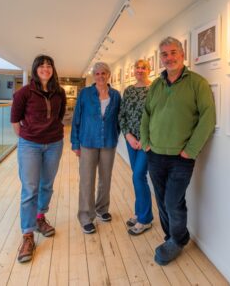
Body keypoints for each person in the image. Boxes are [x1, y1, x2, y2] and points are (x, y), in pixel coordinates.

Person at [140, 37, 216, 265]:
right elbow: (146, 115)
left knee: (173, 201)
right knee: (162, 200)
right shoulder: (155, 85)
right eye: (164, 54)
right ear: (160, 59)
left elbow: (208, 118)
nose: (169, 57)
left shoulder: (197, 83)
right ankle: (170, 236)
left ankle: (178, 239)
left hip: (180, 157)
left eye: (173, 52)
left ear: (183, 54)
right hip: (155, 155)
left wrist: (190, 150)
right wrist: (146, 142)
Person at [10, 54, 66, 263]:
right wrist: (30, 137)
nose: (45, 68)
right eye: (41, 65)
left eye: (49, 65)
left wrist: (48, 134)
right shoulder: (24, 93)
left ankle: (40, 217)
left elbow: (59, 117)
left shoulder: (59, 92)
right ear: (35, 69)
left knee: (47, 185)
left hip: (54, 144)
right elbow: (15, 121)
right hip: (30, 145)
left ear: (53, 69)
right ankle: (27, 235)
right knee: (30, 189)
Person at [71, 62, 121, 234]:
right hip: (88, 142)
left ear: (109, 75)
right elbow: (76, 118)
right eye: (97, 73)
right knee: (87, 179)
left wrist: (115, 134)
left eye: (104, 73)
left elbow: (118, 120)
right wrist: (75, 143)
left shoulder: (115, 95)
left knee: (105, 178)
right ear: (94, 76)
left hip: (108, 142)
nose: (100, 76)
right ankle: (85, 216)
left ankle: (102, 209)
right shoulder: (85, 94)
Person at [118, 59, 153, 235]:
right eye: (137, 67)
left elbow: (157, 117)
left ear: (149, 70)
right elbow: (122, 115)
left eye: (143, 68)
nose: (140, 70)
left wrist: (145, 139)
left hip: (147, 142)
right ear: (134, 71)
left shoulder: (154, 89)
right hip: (131, 141)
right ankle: (140, 212)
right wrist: (129, 136)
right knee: (138, 177)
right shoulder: (129, 90)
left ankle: (145, 219)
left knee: (139, 175)